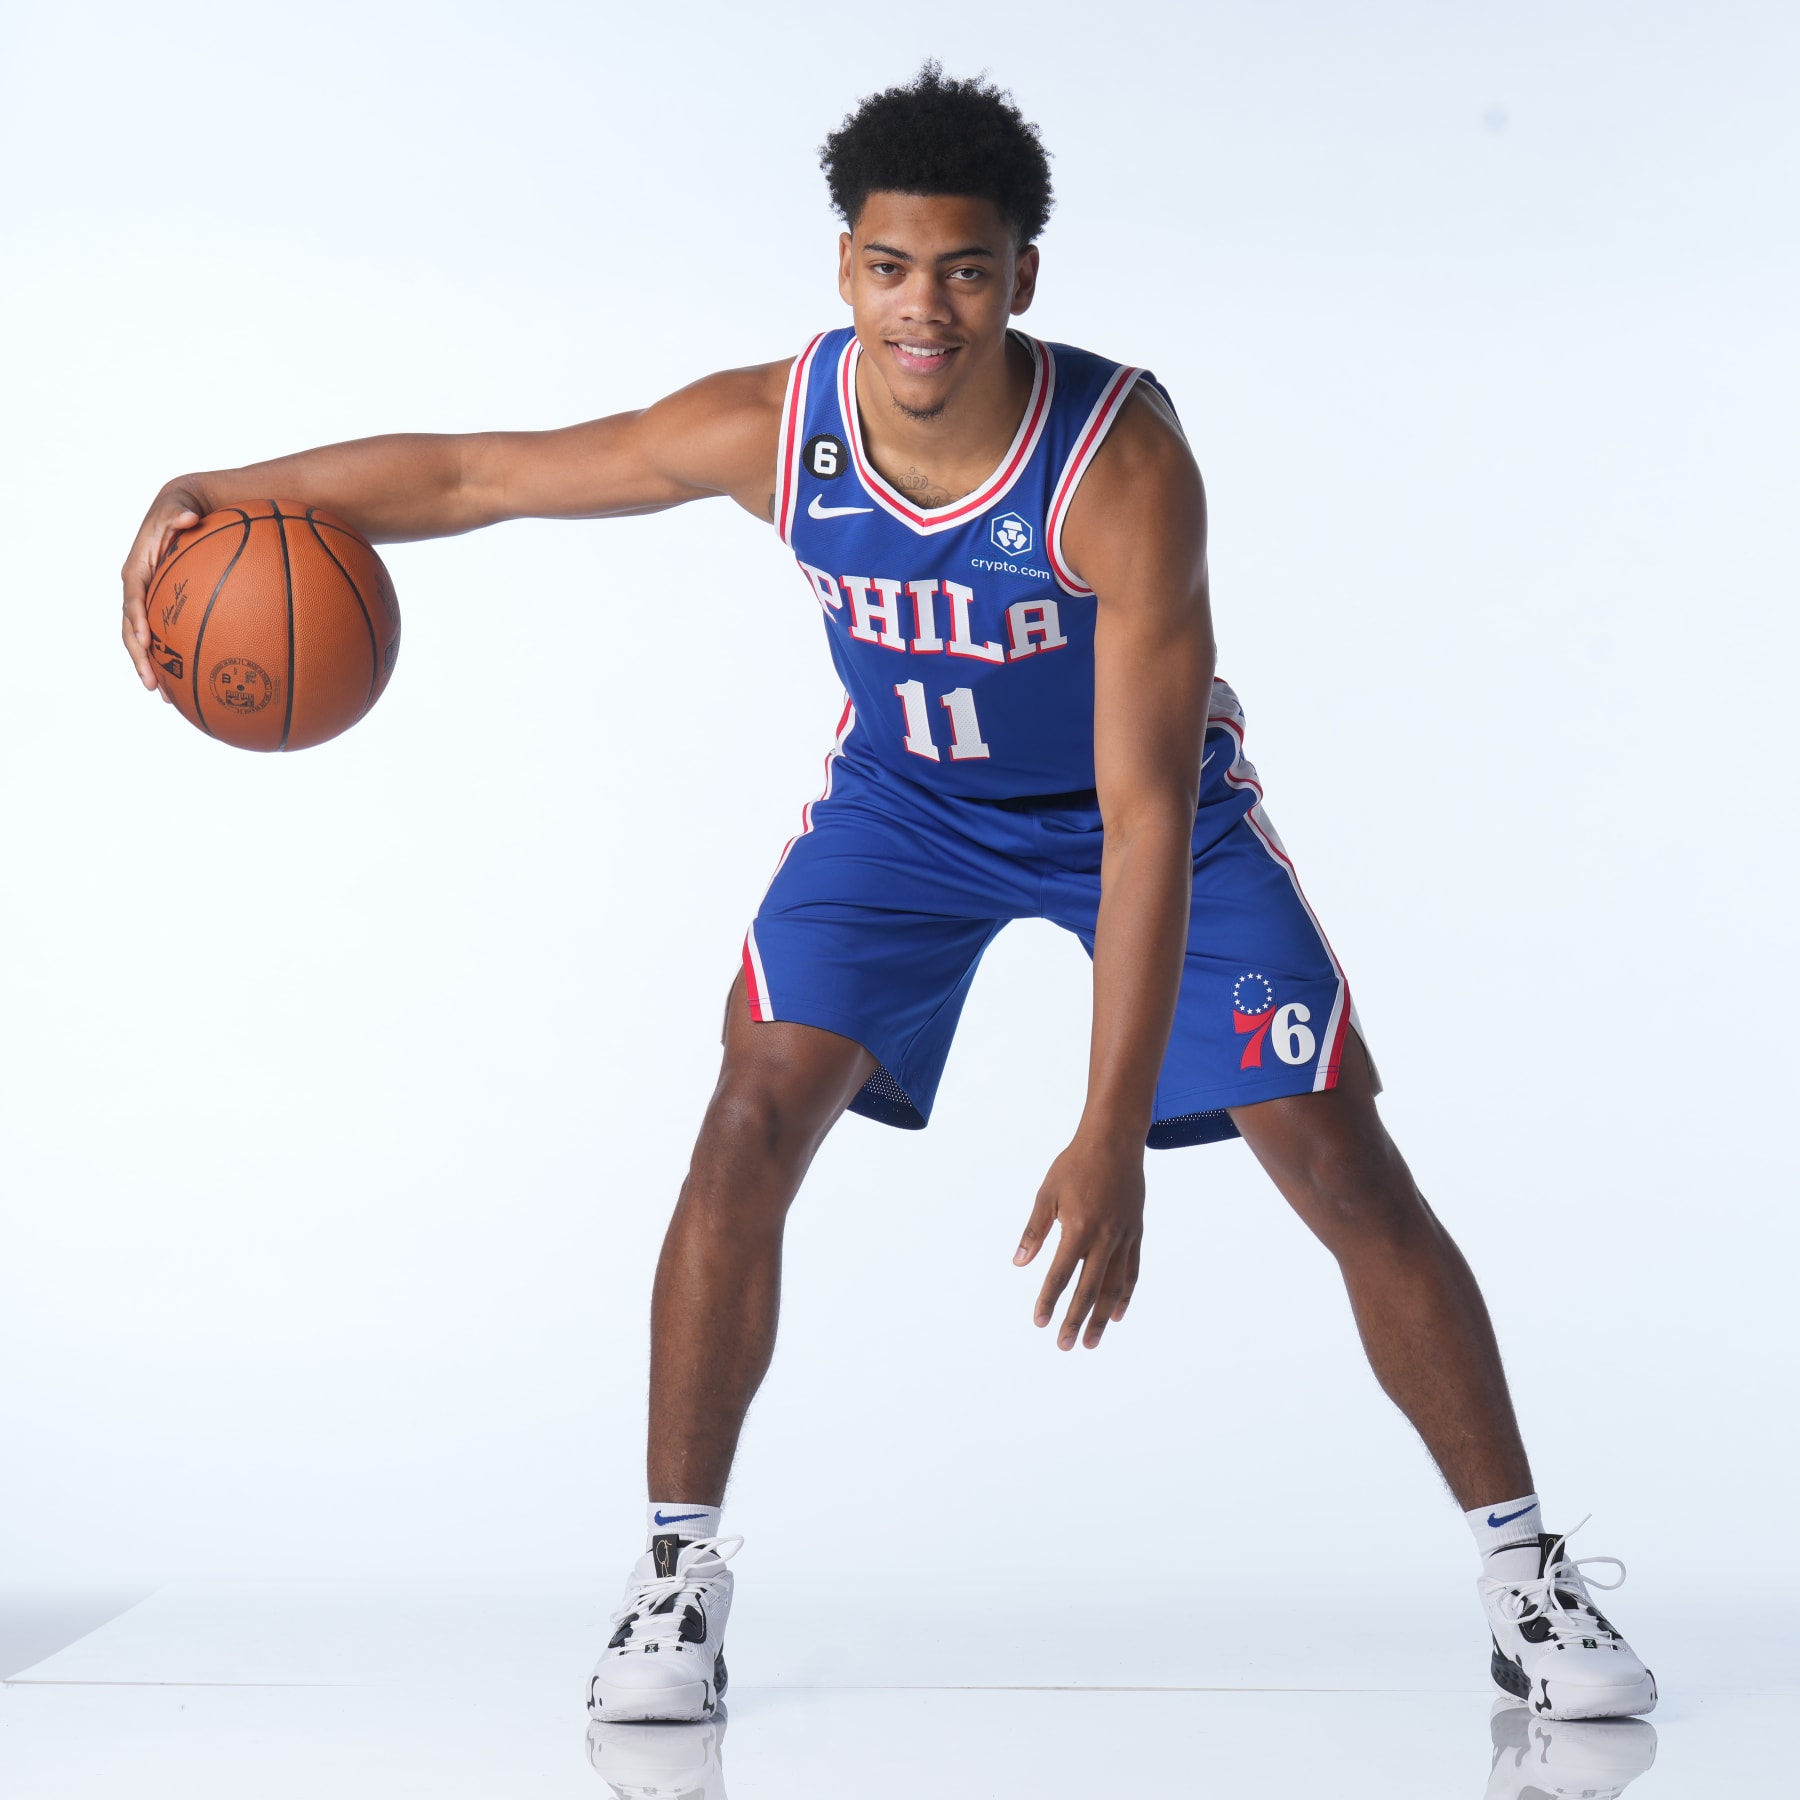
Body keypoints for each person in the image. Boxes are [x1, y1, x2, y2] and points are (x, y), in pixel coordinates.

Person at [120, 65, 1655, 1728]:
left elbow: (1141, 822)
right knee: (750, 1113)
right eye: (891, 268)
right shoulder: (777, 428)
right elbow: (483, 476)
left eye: (968, 271)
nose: (926, 308)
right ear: (846, 263)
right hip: (908, 814)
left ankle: (1525, 1576)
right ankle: (674, 1584)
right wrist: (233, 483)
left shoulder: (1119, 466)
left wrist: (1107, 1128)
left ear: (1023, 278)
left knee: (1338, 1156)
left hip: (1143, 823)